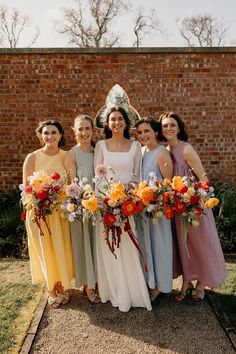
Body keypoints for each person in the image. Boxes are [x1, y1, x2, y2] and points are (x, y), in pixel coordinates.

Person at [159, 112, 227, 301]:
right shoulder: (164, 151)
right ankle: (186, 282)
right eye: (165, 126)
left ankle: (201, 284)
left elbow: (204, 179)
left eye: (172, 125)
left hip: (194, 206)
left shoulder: (186, 149)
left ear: (179, 128)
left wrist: (194, 199)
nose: (169, 129)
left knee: (200, 245)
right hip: (178, 208)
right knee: (183, 245)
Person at [94, 106, 152, 312]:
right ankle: (113, 290)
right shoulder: (101, 145)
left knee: (128, 244)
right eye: (112, 119)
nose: (116, 122)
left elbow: (137, 176)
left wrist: (131, 199)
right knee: (110, 245)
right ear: (107, 124)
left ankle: (134, 291)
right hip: (106, 203)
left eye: (120, 119)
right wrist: (105, 203)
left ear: (126, 123)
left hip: (128, 204)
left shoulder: (135, 146)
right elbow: (97, 176)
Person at [23, 120, 74, 308]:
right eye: (46, 133)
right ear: (40, 135)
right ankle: (51, 288)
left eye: (54, 132)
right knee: (45, 250)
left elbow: (70, 184)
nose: (50, 136)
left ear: (60, 136)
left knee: (60, 248)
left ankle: (62, 284)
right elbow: (26, 188)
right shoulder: (32, 157)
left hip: (59, 212)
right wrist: (37, 201)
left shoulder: (66, 156)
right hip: (40, 213)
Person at [135, 117, 173, 302]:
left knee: (159, 245)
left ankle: (160, 285)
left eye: (147, 131)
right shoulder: (140, 152)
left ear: (156, 132)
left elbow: (168, 184)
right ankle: (149, 281)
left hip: (158, 209)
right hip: (143, 209)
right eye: (140, 132)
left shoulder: (161, 153)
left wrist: (156, 199)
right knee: (146, 246)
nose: (143, 135)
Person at [64, 114, 100, 303]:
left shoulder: (98, 151)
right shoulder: (72, 153)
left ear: (93, 130)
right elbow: (72, 185)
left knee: (97, 245)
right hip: (81, 207)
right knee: (84, 244)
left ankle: (99, 280)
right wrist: (83, 202)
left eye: (87, 128)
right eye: (80, 129)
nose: (84, 132)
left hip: (100, 207)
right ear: (74, 131)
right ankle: (88, 285)